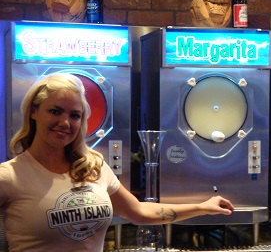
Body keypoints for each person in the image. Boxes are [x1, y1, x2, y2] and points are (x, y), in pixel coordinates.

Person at [0, 73, 234, 252]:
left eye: (75, 115)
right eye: (55, 111)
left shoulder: (93, 168)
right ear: (33, 112)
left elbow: (140, 211)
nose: (65, 122)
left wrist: (203, 207)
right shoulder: (9, 177)